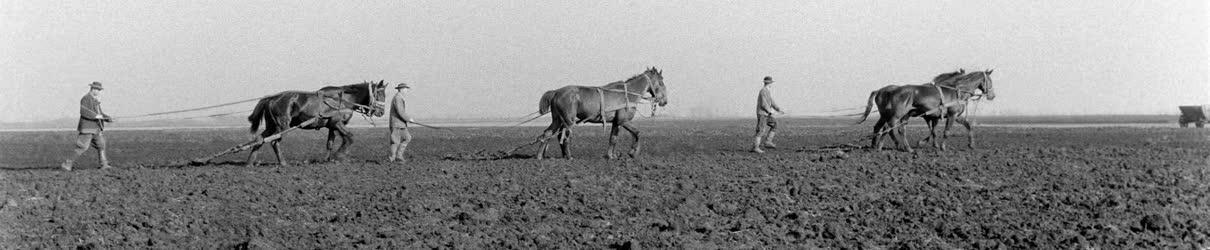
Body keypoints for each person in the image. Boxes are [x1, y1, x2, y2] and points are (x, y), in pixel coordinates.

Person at [62, 82, 114, 171]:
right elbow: (84, 112)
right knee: (82, 147)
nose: (98, 91)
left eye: (99, 90)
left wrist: (107, 118)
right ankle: (67, 164)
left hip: (96, 128)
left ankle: (104, 164)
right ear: (92, 89)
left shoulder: (95, 101)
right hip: (87, 128)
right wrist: (98, 116)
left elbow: (100, 114)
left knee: (101, 145)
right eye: (96, 89)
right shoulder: (85, 99)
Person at [753, 76, 784, 153]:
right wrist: (770, 111)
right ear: (769, 83)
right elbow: (763, 104)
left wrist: (778, 109)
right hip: (763, 113)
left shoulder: (767, 91)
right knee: (761, 130)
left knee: (774, 124)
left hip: (766, 114)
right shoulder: (763, 91)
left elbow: (771, 101)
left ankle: (768, 142)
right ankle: (755, 147)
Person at [388, 83, 414, 162]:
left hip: (401, 124)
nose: (407, 91)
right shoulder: (398, 98)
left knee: (407, 138)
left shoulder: (399, 97)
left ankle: (398, 156)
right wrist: (408, 119)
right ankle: (391, 158)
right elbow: (400, 111)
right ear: (402, 89)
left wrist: (407, 120)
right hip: (396, 124)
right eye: (406, 89)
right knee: (395, 141)